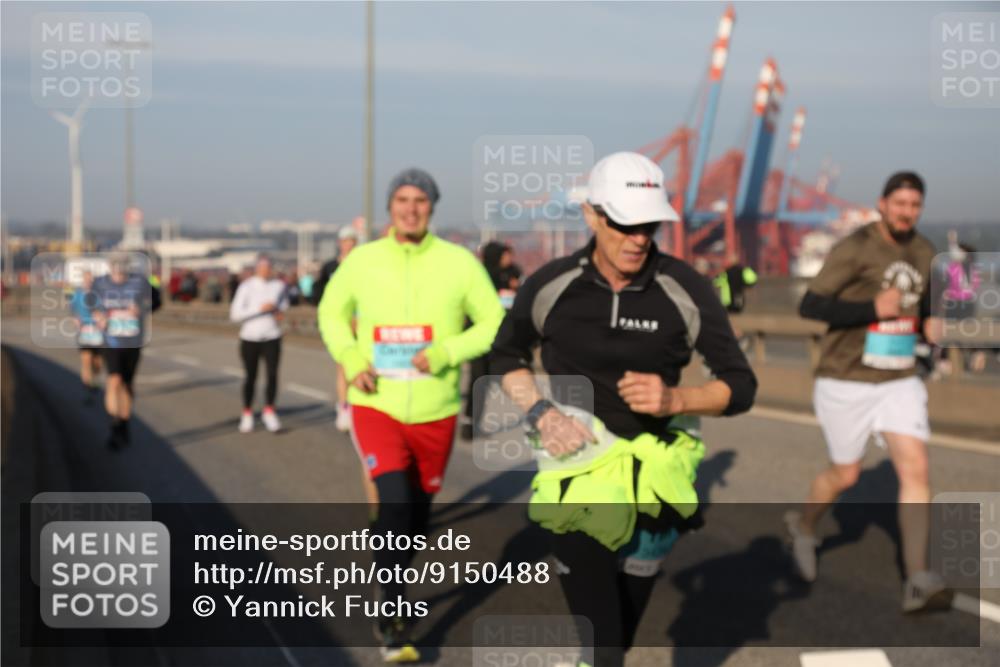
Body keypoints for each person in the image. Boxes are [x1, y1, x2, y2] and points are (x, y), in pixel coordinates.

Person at [490, 152, 757, 667]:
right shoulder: (551, 284)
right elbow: (506, 355)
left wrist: (676, 398)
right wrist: (543, 412)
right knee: (607, 646)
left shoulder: (685, 288)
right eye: (625, 223)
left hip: (656, 477)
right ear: (592, 214)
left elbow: (741, 385)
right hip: (579, 474)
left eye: (649, 224)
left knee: (620, 636)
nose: (639, 237)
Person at [317, 168, 504, 662]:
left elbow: (493, 322)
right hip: (375, 405)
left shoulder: (459, 263)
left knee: (417, 516)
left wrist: (445, 352)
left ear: (432, 207)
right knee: (395, 504)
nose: (410, 207)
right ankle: (393, 609)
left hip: (435, 410)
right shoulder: (363, 260)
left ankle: (393, 580)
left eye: (420, 199)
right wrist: (352, 360)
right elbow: (330, 314)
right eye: (402, 199)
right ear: (390, 206)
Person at [786, 171, 949, 613]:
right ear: (881, 204)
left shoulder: (923, 250)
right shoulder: (855, 248)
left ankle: (918, 578)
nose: (907, 212)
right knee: (847, 475)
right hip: (845, 377)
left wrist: (933, 324)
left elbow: (928, 307)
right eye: (899, 204)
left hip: (899, 379)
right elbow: (811, 305)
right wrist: (870, 309)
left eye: (914, 205)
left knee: (916, 468)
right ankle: (803, 525)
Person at [90, 254, 161, 449]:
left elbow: (157, 301)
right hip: (111, 340)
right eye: (115, 269)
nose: (119, 274)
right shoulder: (99, 283)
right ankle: (114, 424)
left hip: (133, 340)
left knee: (128, 384)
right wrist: (98, 316)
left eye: (122, 269)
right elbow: (91, 304)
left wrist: (142, 309)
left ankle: (125, 422)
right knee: (114, 381)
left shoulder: (140, 282)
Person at [460, 241, 522, 441]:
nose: (508, 260)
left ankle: (476, 421)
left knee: (491, 381)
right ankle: (468, 423)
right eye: (504, 256)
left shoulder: (513, 274)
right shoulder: (481, 277)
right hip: (479, 337)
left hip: (502, 336)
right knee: (478, 380)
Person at [229, 255, 289, 433]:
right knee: (251, 376)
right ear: (256, 268)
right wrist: (259, 309)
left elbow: (283, 306)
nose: (265, 270)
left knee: (272, 375)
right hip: (250, 338)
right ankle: (247, 412)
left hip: (272, 336)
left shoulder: (279, 286)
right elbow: (235, 315)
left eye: (268, 267)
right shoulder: (246, 286)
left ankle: (269, 410)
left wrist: (277, 312)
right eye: (262, 267)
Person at [313, 225, 361, 432]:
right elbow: (319, 291)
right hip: (341, 322)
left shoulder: (364, 264)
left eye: (352, 241)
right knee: (343, 365)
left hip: (362, 322)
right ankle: (344, 406)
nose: (349, 244)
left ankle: (358, 405)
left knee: (361, 365)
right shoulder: (330, 266)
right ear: (340, 243)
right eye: (345, 241)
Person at [71, 269, 104, 405]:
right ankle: (87, 388)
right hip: (84, 331)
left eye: (91, 280)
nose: (88, 282)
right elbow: (73, 310)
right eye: (86, 279)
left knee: (97, 363)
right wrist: (76, 319)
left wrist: (102, 319)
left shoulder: (100, 295)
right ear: (83, 280)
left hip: (98, 332)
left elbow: (105, 310)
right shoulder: (77, 294)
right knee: (86, 360)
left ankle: (94, 378)